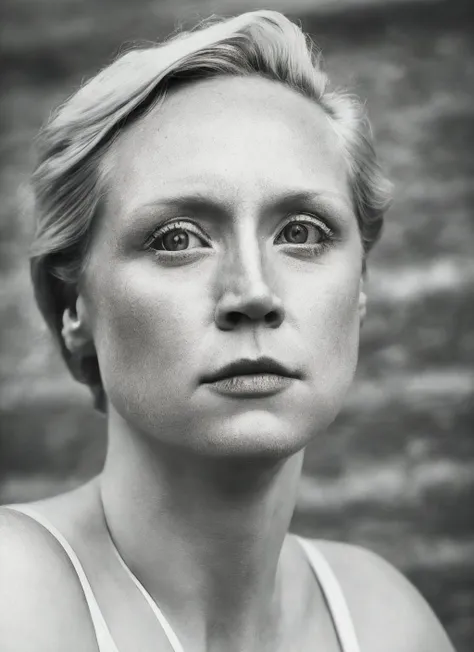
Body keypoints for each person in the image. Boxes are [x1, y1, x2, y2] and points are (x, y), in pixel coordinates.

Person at [0, 9, 455, 652]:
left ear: (359, 287)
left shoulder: (387, 622)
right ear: (73, 304)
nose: (253, 292)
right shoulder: (11, 595)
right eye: (178, 239)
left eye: (301, 233)